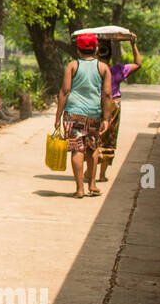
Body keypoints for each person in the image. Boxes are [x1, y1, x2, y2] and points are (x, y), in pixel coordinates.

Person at [54, 32, 112, 198]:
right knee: (92, 148)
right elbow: (107, 94)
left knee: (76, 149)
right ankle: (92, 184)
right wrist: (106, 118)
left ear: (78, 50)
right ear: (96, 49)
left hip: (74, 114)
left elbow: (64, 92)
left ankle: (79, 189)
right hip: (94, 114)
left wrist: (58, 117)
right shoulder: (103, 68)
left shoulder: (73, 66)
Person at [96, 37, 142, 181]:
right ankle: (102, 174)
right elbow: (137, 64)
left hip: (93, 104)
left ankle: (88, 171)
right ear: (110, 54)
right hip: (113, 105)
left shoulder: (91, 70)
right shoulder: (117, 71)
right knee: (108, 137)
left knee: (92, 136)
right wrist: (133, 44)